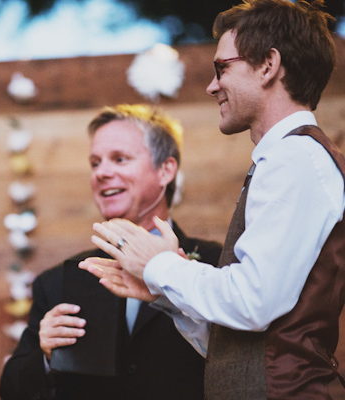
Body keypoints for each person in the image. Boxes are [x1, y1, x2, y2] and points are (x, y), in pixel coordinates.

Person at [80, 1, 345, 399]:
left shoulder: (296, 158)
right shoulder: (285, 159)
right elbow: (238, 348)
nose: (211, 85)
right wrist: (165, 292)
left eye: (223, 68)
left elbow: (252, 302)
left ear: (268, 65)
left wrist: (160, 264)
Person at [0, 104, 223, 400]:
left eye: (119, 159)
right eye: (95, 163)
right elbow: (11, 390)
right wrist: (44, 355)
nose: (102, 173)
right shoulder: (58, 282)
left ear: (166, 170)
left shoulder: (214, 263)